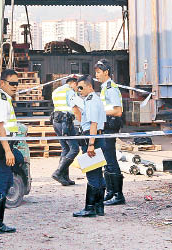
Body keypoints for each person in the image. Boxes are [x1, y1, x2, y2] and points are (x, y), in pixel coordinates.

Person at [0, 69, 24, 233]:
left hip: (2, 145)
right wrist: (8, 151)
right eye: (12, 83)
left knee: (7, 180)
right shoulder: (1, 100)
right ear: (2, 83)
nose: (15, 87)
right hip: (0, 146)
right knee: (2, 182)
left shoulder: (5, 99)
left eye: (17, 83)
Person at [73, 75, 107, 217]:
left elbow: (93, 123)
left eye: (81, 87)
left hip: (92, 139)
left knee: (92, 174)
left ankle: (90, 208)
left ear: (90, 87)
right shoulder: (92, 100)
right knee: (98, 174)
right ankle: (99, 207)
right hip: (96, 138)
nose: (79, 90)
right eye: (77, 88)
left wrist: (91, 145)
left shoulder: (92, 101)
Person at [95, 59, 125, 206]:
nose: (96, 75)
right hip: (105, 126)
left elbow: (118, 111)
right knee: (106, 160)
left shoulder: (111, 88)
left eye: (98, 72)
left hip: (110, 126)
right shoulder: (104, 87)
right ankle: (111, 192)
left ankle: (118, 195)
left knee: (110, 160)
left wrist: (100, 112)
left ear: (106, 72)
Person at [51, 77, 83, 186]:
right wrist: (82, 122)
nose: (78, 89)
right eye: (77, 86)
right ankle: (58, 172)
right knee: (74, 149)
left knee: (65, 148)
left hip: (56, 122)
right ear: (73, 83)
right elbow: (75, 109)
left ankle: (64, 177)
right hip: (66, 123)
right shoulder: (69, 91)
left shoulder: (56, 91)